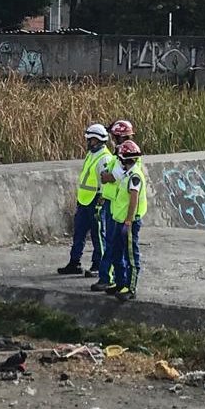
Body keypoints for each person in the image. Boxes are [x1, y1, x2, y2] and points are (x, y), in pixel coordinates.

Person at [58, 124, 112, 277]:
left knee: (98, 235)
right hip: (84, 201)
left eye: (90, 139)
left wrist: (100, 202)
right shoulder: (91, 155)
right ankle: (74, 263)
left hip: (96, 201)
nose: (88, 142)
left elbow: (106, 184)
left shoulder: (104, 158)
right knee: (79, 233)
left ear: (97, 140)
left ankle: (98, 265)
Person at [91, 120, 136, 292]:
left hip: (119, 207)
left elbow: (113, 176)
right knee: (115, 246)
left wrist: (106, 176)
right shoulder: (122, 151)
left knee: (115, 245)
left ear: (118, 136)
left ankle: (109, 279)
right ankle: (118, 281)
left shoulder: (127, 154)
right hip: (114, 203)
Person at [108, 140, 147, 302]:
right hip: (119, 220)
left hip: (128, 222)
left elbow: (133, 200)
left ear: (124, 159)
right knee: (117, 252)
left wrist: (129, 221)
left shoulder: (134, 176)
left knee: (131, 256)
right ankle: (120, 282)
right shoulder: (127, 174)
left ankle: (131, 288)